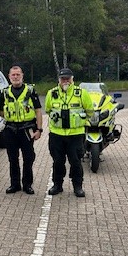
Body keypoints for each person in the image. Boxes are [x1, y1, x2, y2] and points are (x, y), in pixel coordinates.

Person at [45, 68, 94, 198]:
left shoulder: (81, 93)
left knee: (76, 161)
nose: (65, 81)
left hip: (75, 135)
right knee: (58, 161)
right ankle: (57, 185)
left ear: (72, 79)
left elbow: (90, 111)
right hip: (57, 135)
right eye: (63, 78)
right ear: (59, 80)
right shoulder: (51, 93)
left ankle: (78, 186)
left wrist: (79, 120)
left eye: (68, 78)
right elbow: (48, 110)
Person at [0, 65, 43, 195]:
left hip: (26, 129)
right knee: (13, 159)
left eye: (18, 74)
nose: (16, 77)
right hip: (11, 129)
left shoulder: (30, 90)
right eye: (13, 75)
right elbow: (0, 111)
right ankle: (15, 184)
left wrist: (39, 129)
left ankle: (27, 184)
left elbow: (38, 110)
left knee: (28, 158)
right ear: (9, 77)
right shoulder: (5, 92)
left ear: (22, 75)